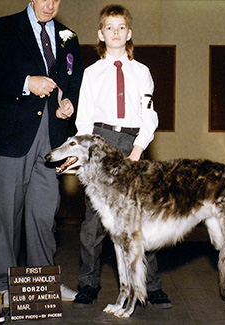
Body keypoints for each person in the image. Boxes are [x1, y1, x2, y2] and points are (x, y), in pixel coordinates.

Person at [0, 0, 83, 305]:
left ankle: (45, 283)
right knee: (8, 215)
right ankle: (2, 286)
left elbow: (73, 83)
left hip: (51, 140)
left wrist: (69, 105)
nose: (50, 4)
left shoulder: (68, 36)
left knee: (45, 215)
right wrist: (26, 83)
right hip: (9, 139)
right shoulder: (4, 27)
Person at [73, 4, 172, 309]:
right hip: (101, 142)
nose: (115, 33)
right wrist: (87, 155)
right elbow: (83, 119)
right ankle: (88, 284)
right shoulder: (91, 73)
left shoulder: (141, 71)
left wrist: (138, 149)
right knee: (94, 222)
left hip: (132, 142)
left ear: (129, 33)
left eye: (121, 28)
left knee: (139, 218)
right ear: (100, 34)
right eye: (109, 28)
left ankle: (150, 286)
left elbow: (149, 114)